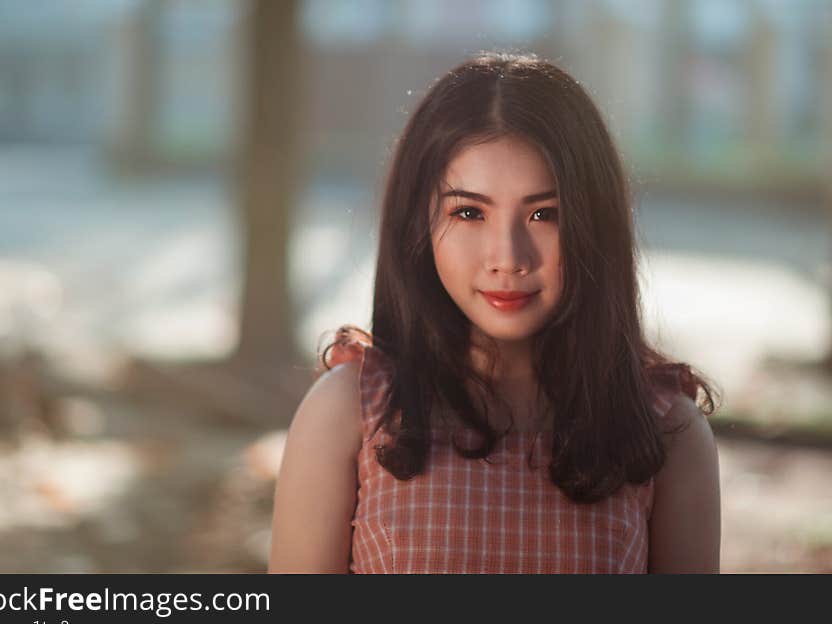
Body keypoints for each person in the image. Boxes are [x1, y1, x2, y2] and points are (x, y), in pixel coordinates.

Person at [268, 53, 720, 574]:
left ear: (595, 224)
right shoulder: (350, 412)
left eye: (544, 214)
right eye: (468, 212)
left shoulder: (667, 434)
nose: (507, 257)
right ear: (418, 222)